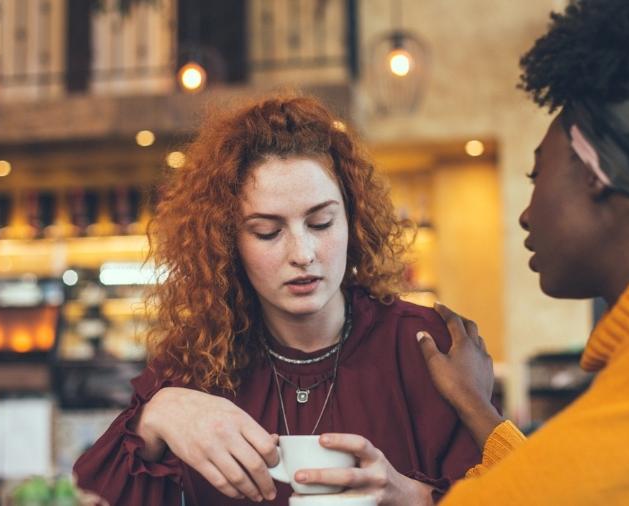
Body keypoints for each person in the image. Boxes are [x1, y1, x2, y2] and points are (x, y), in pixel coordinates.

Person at [296, 0, 629, 503]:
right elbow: (562, 487)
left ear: (597, 177)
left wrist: (415, 496)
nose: (526, 214)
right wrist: (475, 403)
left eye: (538, 175)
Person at [73, 96, 482, 505]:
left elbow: (511, 489)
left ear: (353, 220)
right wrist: (156, 417)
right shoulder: (197, 363)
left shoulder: (423, 345)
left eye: (321, 222)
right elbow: (90, 495)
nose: (302, 253)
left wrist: (408, 496)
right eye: (267, 231)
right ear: (228, 243)